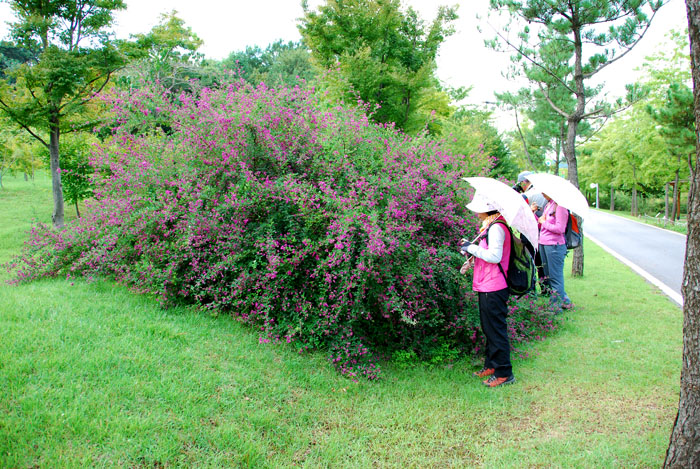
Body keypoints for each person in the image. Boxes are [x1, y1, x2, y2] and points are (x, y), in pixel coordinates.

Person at [459, 192, 516, 388]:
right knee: (488, 328)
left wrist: (472, 249)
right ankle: (491, 365)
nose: (476, 212)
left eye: (478, 209)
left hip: (494, 286)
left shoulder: (497, 228)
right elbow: (486, 253)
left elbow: (494, 256)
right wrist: (470, 248)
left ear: (486, 209)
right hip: (486, 284)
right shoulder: (489, 226)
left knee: (496, 330)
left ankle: (504, 373)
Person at [538, 193, 573, 311]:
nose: (543, 195)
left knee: (555, 277)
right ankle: (565, 302)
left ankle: (555, 308)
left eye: (544, 192)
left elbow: (560, 229)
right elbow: (541, 222)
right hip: (544, 243)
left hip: (554, 245)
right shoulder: (549, 204)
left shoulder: (560, 206)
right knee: (548, 276)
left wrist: (544, 222)